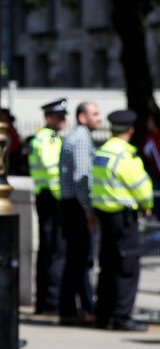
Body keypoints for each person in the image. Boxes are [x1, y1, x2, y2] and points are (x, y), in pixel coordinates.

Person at [91, 109, 154, 331]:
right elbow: (142, 188)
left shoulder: (102, 151)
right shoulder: (125, 155)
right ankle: (122, 317)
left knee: (107, 266)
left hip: (105, 215)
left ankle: (103, 315)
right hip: (123, 217)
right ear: (130, 130)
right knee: (127, 268)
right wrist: (147, 205)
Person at [58, 101, 102, 325]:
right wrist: (89, 211)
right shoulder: (82, 139)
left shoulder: (73, 136)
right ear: (82, 117)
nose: (99, 118)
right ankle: (86, 307)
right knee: (82, 260)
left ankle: (68, 309)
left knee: (73, 260)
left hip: (69, 204)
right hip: (77, 206)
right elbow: (82, 179)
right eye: (95, 114)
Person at [29, 99, 69, 315]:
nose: (63, 121)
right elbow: (51, 167)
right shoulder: (45, 138)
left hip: (47, 196)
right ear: (48, 118)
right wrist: (61, 192)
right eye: (59, 117)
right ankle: (50, 301)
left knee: (50, 249)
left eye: (64, 116)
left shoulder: (50, 137)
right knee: (54, 249)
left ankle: (46, 301)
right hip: (51, 198)